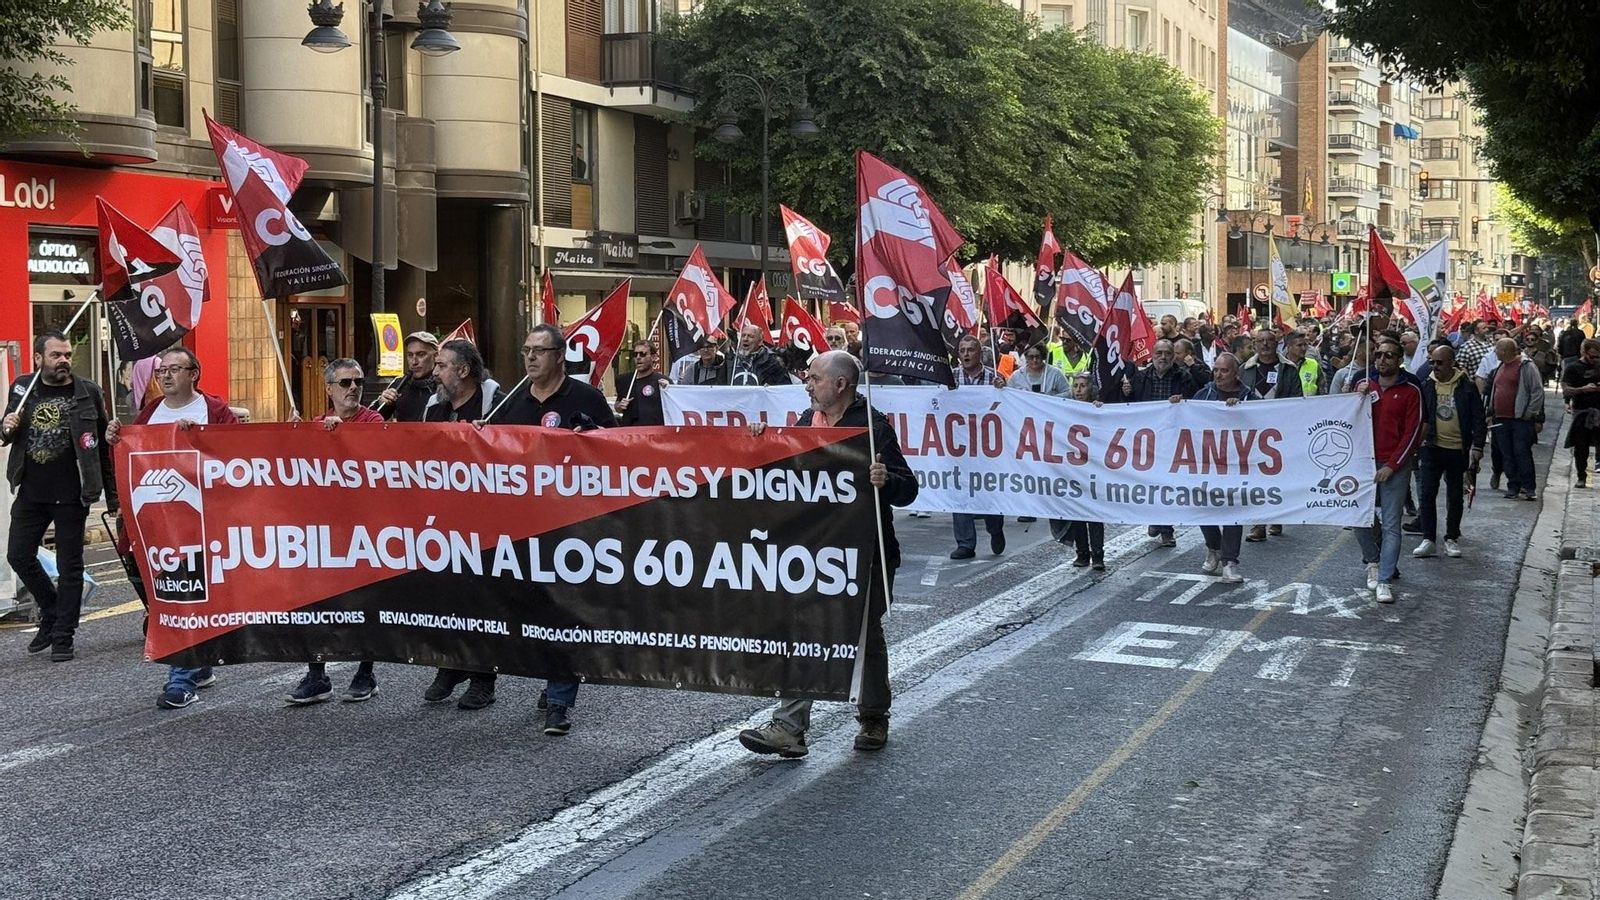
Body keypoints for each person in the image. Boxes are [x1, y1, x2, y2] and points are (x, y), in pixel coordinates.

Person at [739, 351, 917, 757]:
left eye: (815, 378)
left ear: (841, 384)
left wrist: (886, 480)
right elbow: (784, 468)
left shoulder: (872, 428)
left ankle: (873, 716)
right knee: (806, 631)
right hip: (816, 551)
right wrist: (760, 440)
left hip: (865, 552)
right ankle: (789, 727)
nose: (807, 385)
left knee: (863, 635)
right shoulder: (807, 422)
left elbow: (909, 488)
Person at [484, 324, 619, 735]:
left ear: (560, 356)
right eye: (526, 350)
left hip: (571, 525)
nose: (530, 357)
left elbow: (620, 450)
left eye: (539, 351)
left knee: (563, 608)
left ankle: (560, 699)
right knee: (529, 606)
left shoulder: (586, 398)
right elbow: (491, 451)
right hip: (522, 525)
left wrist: (592, 439)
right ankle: (551, 670)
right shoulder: (512, 400)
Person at [106, 346, 239, 707]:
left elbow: (237, 454)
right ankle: (197, 666)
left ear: (194, 374)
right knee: (174, 597)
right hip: (161, 527)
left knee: (187, 595)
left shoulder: (214, 411)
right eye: (161, 370)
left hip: (203, 523)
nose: (165, 375)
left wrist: (202, 439)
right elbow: (133, 462)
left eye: (174, 369)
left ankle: (182, 678)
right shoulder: (150, 413)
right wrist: (116, 439)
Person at [3, 332, 117, 662]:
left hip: (72, 494)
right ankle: (51, 610)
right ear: (39, 358)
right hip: (31, 492)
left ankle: (63, 635)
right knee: (18, 556)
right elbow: (6, 433)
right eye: (56, 355)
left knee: (71, 567)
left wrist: (113, 499)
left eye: (67, 354)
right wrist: (6, 425)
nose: (64, 360)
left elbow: (103, 448)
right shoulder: (23, 388)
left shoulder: (88, 391)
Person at [285, 359, 386, 705]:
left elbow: (373, 454)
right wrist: (293, 437)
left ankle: (366, 673)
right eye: (345, 383)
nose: (353, 388)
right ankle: (317, 675)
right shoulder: (316, 425)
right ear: (329, 389)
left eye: (358, 381)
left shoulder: (372, 420)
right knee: (316, 602)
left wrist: (342, 436)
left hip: (363, 527)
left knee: (365, 600)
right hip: (324, 530)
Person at [415, 340, 507, 709]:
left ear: (464, 371)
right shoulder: (434, 408)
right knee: (445, 597)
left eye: (442, 365)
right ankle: (451, 665)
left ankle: (484, 678)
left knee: (481, 601)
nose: (435, 372)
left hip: (485, 521)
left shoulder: (495, 404)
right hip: (442, 519)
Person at [1354, 338, 1424, 603]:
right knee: (1358, 516)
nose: (1382, 360)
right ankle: (1373, 560)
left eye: (1388, 355)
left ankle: (1384, 580)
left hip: (1394, 465)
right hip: (1363, 463)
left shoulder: (1411, 389)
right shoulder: (1364, 384)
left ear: (1399, 360)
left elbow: (1413, 432)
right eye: (1378, 355)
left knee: (1392, 524)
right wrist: (1356, 395)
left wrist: (1393, 465)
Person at [1412, 343, 1485, 559]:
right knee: (1427, 494)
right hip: (1431, 448)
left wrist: (1477, 446)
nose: (1435, 366)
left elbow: (1478, 418)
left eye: (1440, 362)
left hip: (1457, 450)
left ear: (1452, 362)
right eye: (1432, 362)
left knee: (1455, 496)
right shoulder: (1426, 385)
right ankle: (1428, 539)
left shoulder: (1467, 387)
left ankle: (1451, 537)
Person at [1188, 353, 1256, 583]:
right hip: (1206, 462)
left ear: (1235, 373)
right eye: (1216, 370)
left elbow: (1261, 422)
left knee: (1233, 511)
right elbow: (1187, 417)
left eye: (1224, 370)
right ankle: (1214, 547)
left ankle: (1230, 562)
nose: (1218, 374)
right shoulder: (1204, 394)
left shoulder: (1248, 397)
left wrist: (1241, 410)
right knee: (1203, 506)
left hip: (1236, 464)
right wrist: (1178, 404)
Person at [1126, 339, 1194, 548]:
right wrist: (1126, 392)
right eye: (1159, 353)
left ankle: (1166, 529)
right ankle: (1155, 519)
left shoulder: (1183, 377)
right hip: (1148, 438)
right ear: (1152, 355)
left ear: (1173, 356)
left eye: (1167, 353)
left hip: (1173, 438)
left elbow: (1195, 400)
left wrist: (1183, 400)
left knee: (1167, 484)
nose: (1163, 357)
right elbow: (1130, 405)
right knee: (1150, 483)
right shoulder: (1140, 377)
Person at [949, 335, 1005, 560]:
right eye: (962, 350)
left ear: (980, 353)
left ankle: (995, 527)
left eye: (970, 350)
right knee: (959, 490)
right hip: (959, 446)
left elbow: (1008, 407)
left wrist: (1003, 389)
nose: (966, 354)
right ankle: (965, 543)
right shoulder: (951, 377)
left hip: (986, 447)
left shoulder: (994, 378)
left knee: (988, 492)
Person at [1484, 337, 1545, 500]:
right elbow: (1494, 391)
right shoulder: (1500, 367)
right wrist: (1490, 412)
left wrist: (1529, 413)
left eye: (1497, 349)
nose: (1495, 352)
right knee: (1507, 454)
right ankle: (1513, 486)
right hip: (1501, 419)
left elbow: (1537, 391)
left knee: (1521, 453)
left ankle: (1529, 487)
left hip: (1520, 419)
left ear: (1505, 351)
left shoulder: (1526, 366)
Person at [1063, 374, 1108, 569]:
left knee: (1094, 513)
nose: (1078, 390)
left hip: (1094, 468)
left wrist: (1100, 411)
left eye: (1083, 386)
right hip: (1073, 468)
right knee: (1077, 511)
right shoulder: (1065, 409)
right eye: (1075, 386)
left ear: (1091, 389)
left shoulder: (1099, 409)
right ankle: (1082, 553)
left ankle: (1098, 555)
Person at [1562, 338, 1600, 489]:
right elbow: (1566, 389)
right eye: (1592, 356)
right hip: (1582, 411)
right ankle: (1581, 476)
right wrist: (1582, 389)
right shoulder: (1573, 368)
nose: (1595, 359)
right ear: (1584, 352)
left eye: (1597, 356)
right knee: (1581, 446)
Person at [378, 332, 439, 422]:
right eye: (410, 355)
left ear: (436, 356)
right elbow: (370, 419)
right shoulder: (400, 383)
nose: (414, 362)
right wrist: (383, 404)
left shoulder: (445, 383)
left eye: (421, 354)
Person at [616, 339, 672, 426]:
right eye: (635, 354)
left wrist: (669, 390)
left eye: (642, 354)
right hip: (630, 431)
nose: (638, 357)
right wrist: (620, 406)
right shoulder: (624, 380)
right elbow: (618, 406)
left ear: (653, 357)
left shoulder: (663, 382)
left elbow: (673, 409)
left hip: (655, 431)